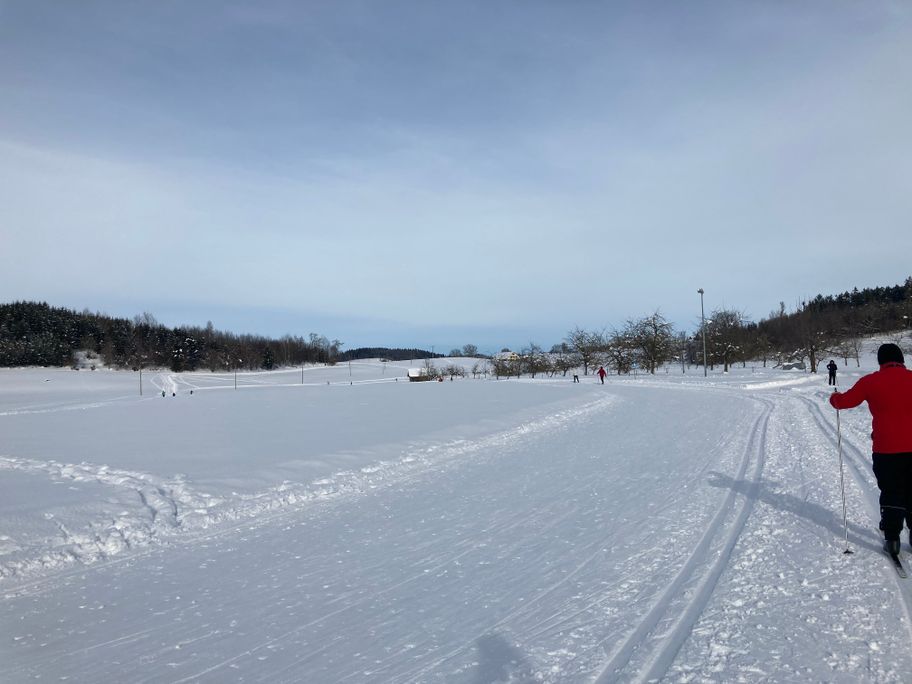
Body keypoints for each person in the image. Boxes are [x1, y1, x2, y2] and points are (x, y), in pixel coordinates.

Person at [829, 343, 912, 556]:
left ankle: (892, 539)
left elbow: (844, 402)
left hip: (886, 450)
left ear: (880, 361)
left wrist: (834, 398)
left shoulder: (871, 381)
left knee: (892, 491)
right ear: (901, 360)